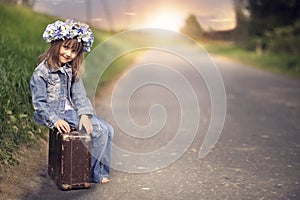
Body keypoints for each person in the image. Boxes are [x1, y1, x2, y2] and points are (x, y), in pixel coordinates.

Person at [30, 19, 113, 184]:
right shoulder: (42, 73)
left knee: (108, 129)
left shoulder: (70, 69)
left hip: (73, 111)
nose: (68, 54)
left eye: (73, 51)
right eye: (65, 47)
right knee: (99, 131)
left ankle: (100, 171)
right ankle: (91, 173)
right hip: (59, 113)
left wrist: (83, 114)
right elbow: (39, 103)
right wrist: (55, 120)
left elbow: (79, 95)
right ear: (56, 44)